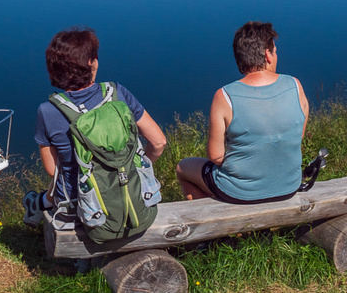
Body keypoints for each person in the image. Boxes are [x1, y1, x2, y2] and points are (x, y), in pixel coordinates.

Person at [32, 27, 166, 212]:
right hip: (131, 200)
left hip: (80, 208)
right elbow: (158, 142)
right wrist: (134, 171)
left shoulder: (47, 111)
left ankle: (38, 206)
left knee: (42, 199)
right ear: (90, 63)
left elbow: (52, 170)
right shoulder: (119, 93)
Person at [176, 21, 309, 203]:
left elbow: (215, 156)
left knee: (183, 168)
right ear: (267, 55)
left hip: (240, 192)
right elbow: (297, 137)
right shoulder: (295, 85)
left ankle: (215, 224)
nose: (276, 56)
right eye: (275, 51)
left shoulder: (224, 96)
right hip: (289, 186)